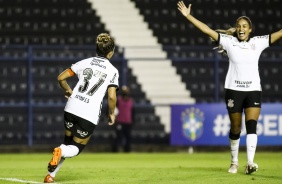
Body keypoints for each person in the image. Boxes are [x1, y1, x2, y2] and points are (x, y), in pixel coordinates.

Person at [177, 1, 282, 175]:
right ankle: (234, 162)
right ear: (236, 28)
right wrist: (188, 16)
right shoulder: (228, 41)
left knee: (252, 125)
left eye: (244, 26)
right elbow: (207, 30)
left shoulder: (258, 42)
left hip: (254, 90)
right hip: (234, 90)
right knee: (235, 128)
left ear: (250, 29)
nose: (241, 29)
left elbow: (279, 33)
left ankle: (249, 163)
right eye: (238, 26)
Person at [43, 33, 119, 183]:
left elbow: (61, 78)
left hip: (71, 108)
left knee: (67, 142)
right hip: (88, 114)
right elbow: (111, 96)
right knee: (76, 148)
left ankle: (51, 176)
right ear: (111, 52)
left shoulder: (84, 62)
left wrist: (68, 90)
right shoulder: (112, 71)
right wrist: (111, 113)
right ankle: (60, 151)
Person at [112, 85, 134, 153]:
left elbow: (132, 111)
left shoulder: (130, 101)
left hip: (128, 122)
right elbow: (113, 109)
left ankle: (127, 150)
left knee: (128, 137)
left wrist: (132, 120)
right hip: (119, 121)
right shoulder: (118, 100)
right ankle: (115, 150)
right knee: (118, 136)